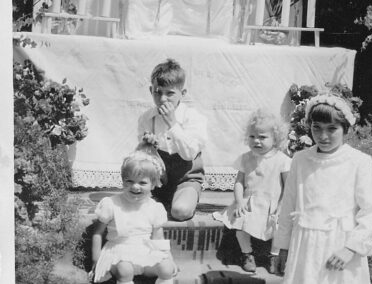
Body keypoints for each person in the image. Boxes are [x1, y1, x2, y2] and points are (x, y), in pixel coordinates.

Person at [273, 92, 372, 283]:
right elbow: (288, 205)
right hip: (304, 247)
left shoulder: (359, 162)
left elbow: (369, 211)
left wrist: (350, 248)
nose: (323, 136)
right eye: (317, 127)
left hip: (340, 248)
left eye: (332, 129)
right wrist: (282, 247)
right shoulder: (300, 160)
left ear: (345, 129)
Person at [213, 108, 291, 273]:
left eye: (262, 137)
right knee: (239, 221)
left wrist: (281, 208)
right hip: (249, 203)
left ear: (275, 138)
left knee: (278, 226)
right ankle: (247, 253)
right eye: (252, 136)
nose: (256, 141)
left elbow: (288, 188)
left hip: (273, 205)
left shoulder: (282, 160)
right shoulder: (246, 158)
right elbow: (239, 183)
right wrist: (239, 201)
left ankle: (274, 255)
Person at [90, 150, 176, 284]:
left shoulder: (155, 208)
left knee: (167, 269)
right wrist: (96, 258)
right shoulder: (111, 204)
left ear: (153, 184)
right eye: (129, 181)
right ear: (123, 181)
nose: (135, 186)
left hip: (145, 252)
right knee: (125, 270)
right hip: (118, 252)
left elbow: (158, 238)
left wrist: (169, 259)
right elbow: (98, 232)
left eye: (142, 183)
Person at [137, 58, 207, 221]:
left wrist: (172, 124)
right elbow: (142, 157)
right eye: (157, 92)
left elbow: (189, 155)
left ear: (182, 93)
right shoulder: (146, 119)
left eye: (170, 93)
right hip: (157, 181)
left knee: (180, 212)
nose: (162, 99)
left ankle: (187, 196)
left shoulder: (194, 118)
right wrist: (147, 147)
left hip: (186, 178)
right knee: (135, 209)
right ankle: (160, 200)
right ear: (150, 90)